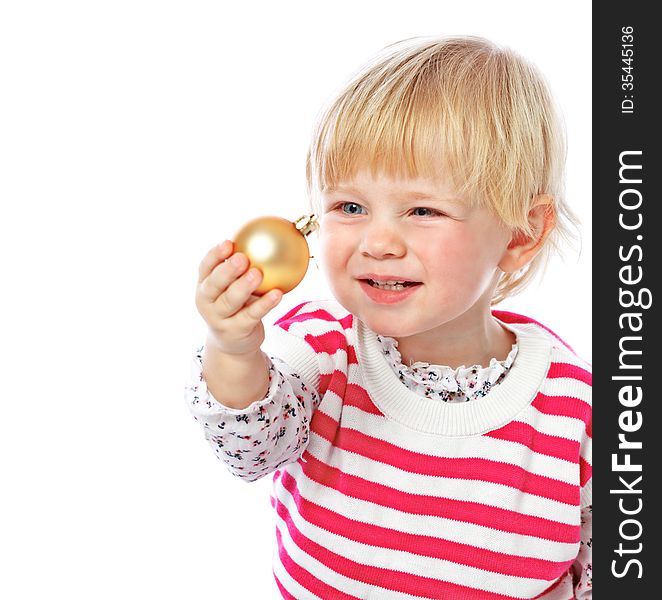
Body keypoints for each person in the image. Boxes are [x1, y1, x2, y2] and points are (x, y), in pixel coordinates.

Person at [185, 35, 592, 599]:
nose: (377, 242)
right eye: (350, 207)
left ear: (520, 234)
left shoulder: (573, 406)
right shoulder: (321, 352)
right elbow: (250, 446)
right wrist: (233, 350)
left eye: (423, 210)